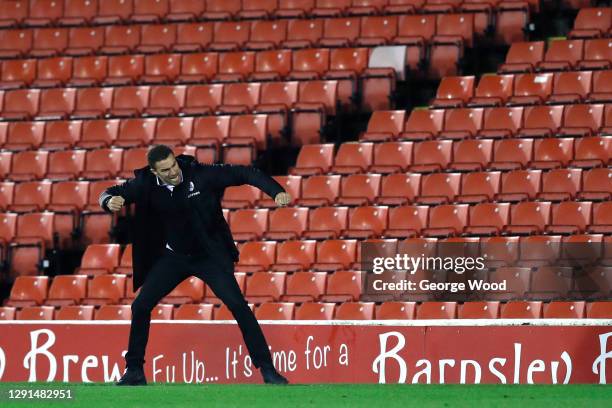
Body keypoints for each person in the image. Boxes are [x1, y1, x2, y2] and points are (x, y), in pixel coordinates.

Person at [99, 145, 291, 386]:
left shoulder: (200, 174)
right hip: (174, 257)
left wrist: (276, 192)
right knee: (140, 306)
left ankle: (267, 369)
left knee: (238, 306)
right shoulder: (145, 183)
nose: (172, 172)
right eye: (165, 170)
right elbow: (109, 192)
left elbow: (246, 173)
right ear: (154, 171)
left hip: (209, 256)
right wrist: (108, 202)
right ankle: (134, 370)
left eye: (173, 166)